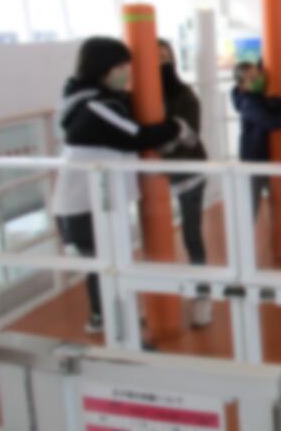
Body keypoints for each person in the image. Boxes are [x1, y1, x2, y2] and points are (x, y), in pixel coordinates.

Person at [52, 37, 196, 334]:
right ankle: (118, 329)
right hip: (87, 207)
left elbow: (131, 116)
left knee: (104, 266)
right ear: (103, 68)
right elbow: (137, 135)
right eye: (121, 66)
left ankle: (104, 319)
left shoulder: (90, 100)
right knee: (109, 266)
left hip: (92, 203)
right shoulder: (94, 107)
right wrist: (176, 127)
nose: (128, 72)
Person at [158, 39, 212, 328]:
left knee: (191, 233)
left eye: (164, 57)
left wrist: (159, 140)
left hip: (189, 173)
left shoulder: (185, 95)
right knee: (155, 237)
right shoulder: (134, 95)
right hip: (151, 176)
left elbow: (191, 137)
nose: (160, 63)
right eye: (154, 57)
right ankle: (155, 297)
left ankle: (202, 294)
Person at [231, 61, 281, 215]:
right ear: (242, 86)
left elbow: (274, 107)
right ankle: (246, 231)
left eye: (258, 74)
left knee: (277, 203)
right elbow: (269, 121)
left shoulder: (259, 98)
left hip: (265, 160)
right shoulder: (248, 102)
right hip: (253, 162)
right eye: (252, 78)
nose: (258, 79)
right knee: (251, 207)